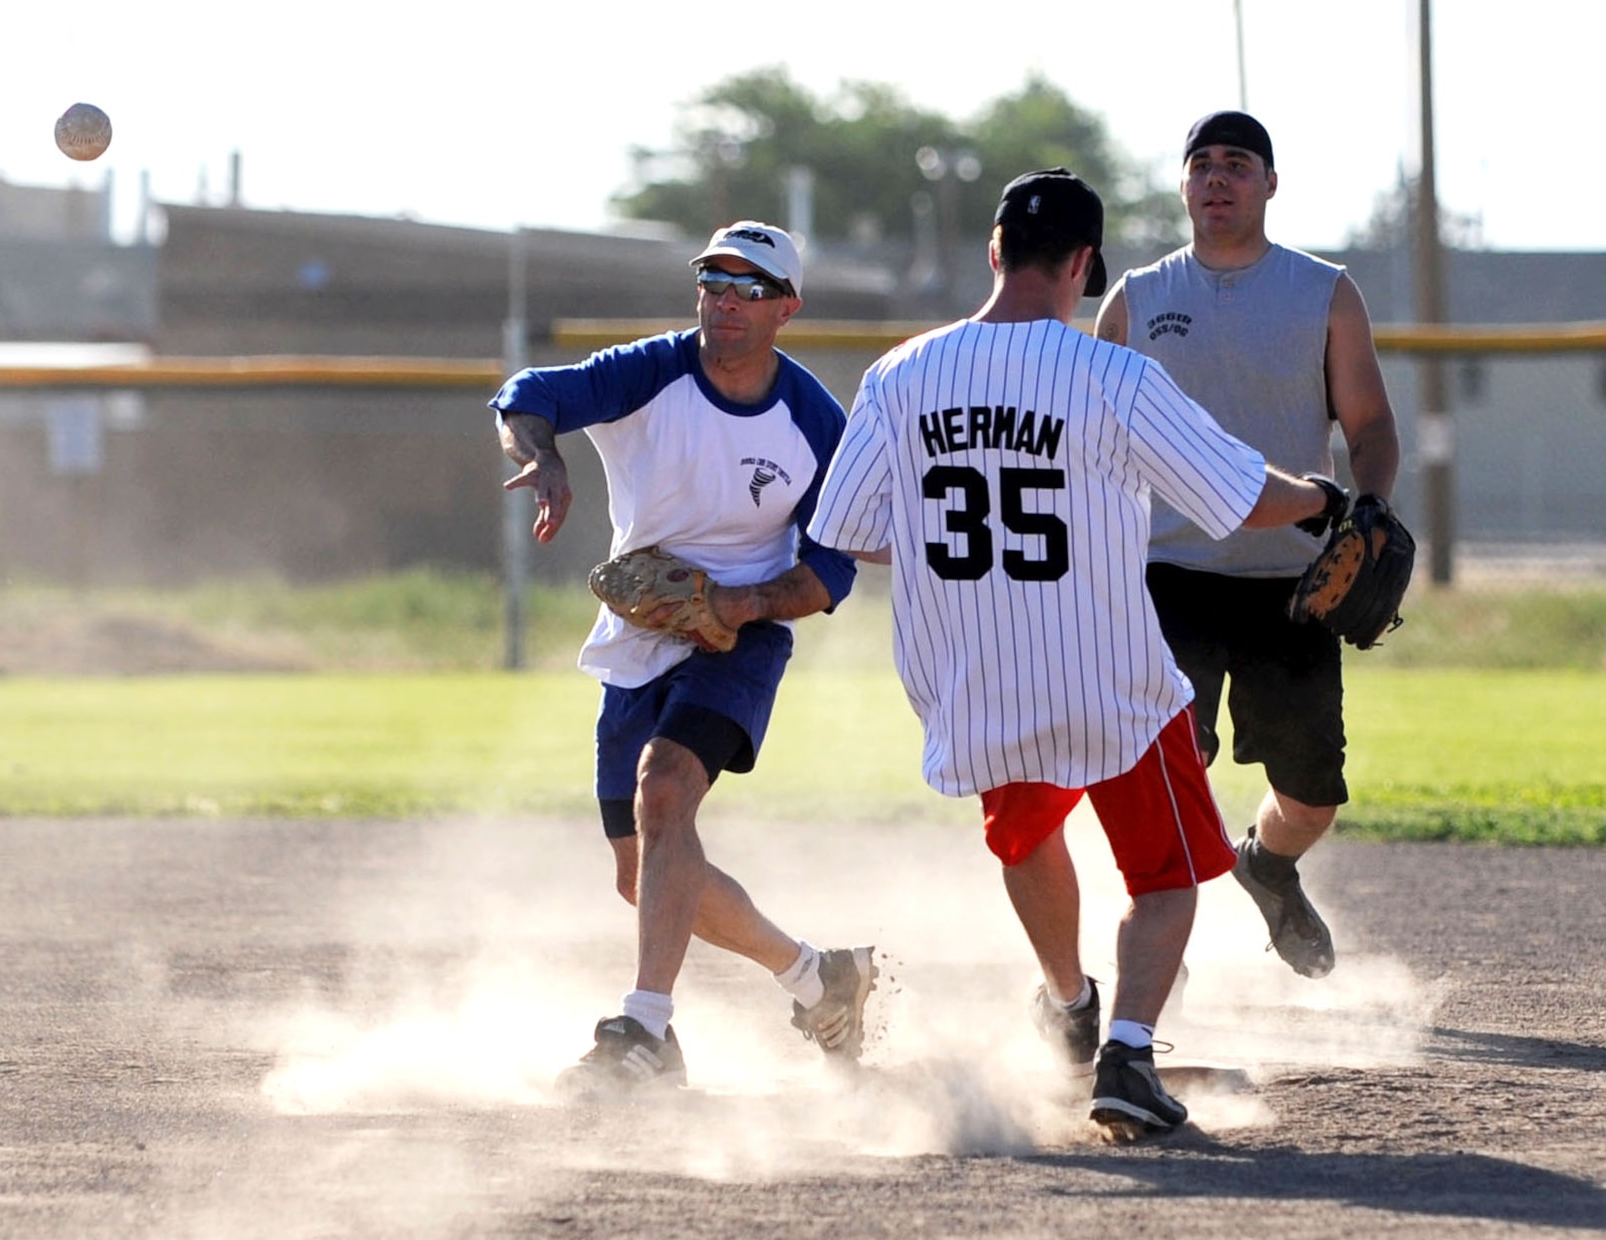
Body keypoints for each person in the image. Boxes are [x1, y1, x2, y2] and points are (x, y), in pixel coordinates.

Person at [806, 169, 1349, 1139]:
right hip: (1107, 676)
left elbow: (846, 525)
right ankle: (1127, 1056)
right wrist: (1324, 498)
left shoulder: (899, 373)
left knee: (1025, 833)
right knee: (1167, 876)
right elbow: (1234, 493)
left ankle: (1065, 1003)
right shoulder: (1110, 374)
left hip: (972, 677)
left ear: (992, 254)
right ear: (1083, 266)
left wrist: (938, 537)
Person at [490, 221, 874, 1097]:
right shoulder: (652, 371)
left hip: (740, 640)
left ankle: (646, 1033)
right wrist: (543, 455)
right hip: (639, 635)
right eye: (714, 280)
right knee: (644, 874)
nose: (727, 300)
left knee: (665, 792)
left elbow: (833, 566)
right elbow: (527, 394)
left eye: (750, 287)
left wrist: (748, 603)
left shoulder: (813, 421)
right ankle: (819, 979)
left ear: (787, 307)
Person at [1095, 112, 1403, 979]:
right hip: (1167, 578)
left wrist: (1368, 510)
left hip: (1291, 580)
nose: (1218, 179)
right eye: (1202, 165)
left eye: (1238, 164)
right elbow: (1090, 442)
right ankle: (1158, 944)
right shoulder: (1140, 298)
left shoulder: (1323, 290)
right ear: (1183, 185)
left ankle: (1266, 866)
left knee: (1309, 799)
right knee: (1162, 772)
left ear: (1270, 184)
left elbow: (1372, 425)